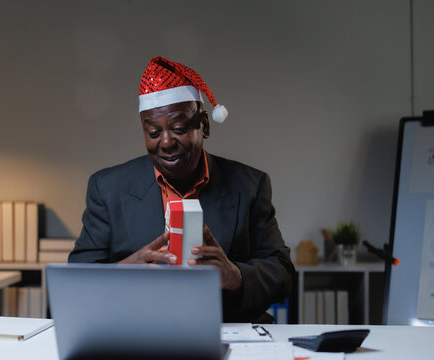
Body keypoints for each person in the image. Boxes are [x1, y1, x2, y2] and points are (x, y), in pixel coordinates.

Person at [69, 56, 294, 323]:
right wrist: (121, 273)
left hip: (226, 330)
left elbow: (282, 273)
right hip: (138, 333)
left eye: (178, 128)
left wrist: (235, 275)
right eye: (153, 133)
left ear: (205, 125)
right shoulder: (107, 188)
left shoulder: (250, 185)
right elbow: (76, 279)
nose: (165, 142)